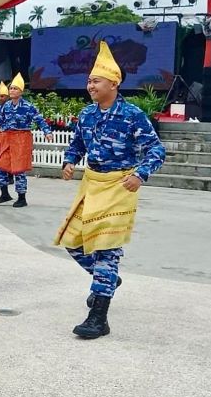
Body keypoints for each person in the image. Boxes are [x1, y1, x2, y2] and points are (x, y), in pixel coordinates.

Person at [55, 41, 166, 339]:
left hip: (119, 186)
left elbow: (156, 149)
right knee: (72, 242)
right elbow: (77, 143)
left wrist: (141, 175)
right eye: (89, 80)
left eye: (96, 80)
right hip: (91, 184)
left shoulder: (132, 115)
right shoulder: (87, 115)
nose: (90, 85)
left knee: (106, 251)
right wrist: (69, 160)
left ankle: (98, 317)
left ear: (114, 83)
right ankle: (107, 279)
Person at [0, 73, 52, 208]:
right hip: (7, 138)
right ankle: (4, 193)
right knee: (1, 166)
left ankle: (22, 197)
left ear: (21, 92)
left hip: (21, 139)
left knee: (19, 170)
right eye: (11, 88)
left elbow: (39, 119)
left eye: (15, 89)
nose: (12, 90)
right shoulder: (6, 106)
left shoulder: (28, 106)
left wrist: (47, 132)